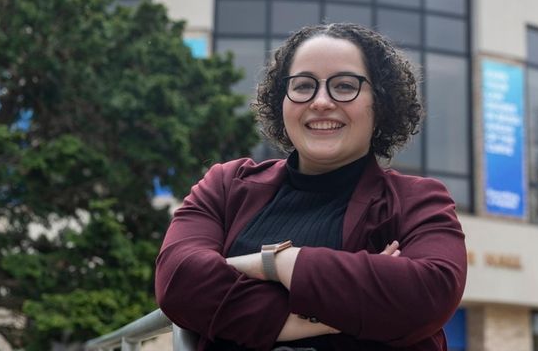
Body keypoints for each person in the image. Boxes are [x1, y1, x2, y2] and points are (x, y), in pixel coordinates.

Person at [155, 23, 467, 351]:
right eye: (303, 86)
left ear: (380, 102)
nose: (320, 102)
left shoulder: (418, 200)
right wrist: (313, 318)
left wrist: (274, 263)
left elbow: (429, 292)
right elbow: (179, 280)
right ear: (282, 101)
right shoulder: (226, 186)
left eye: (345, 85)